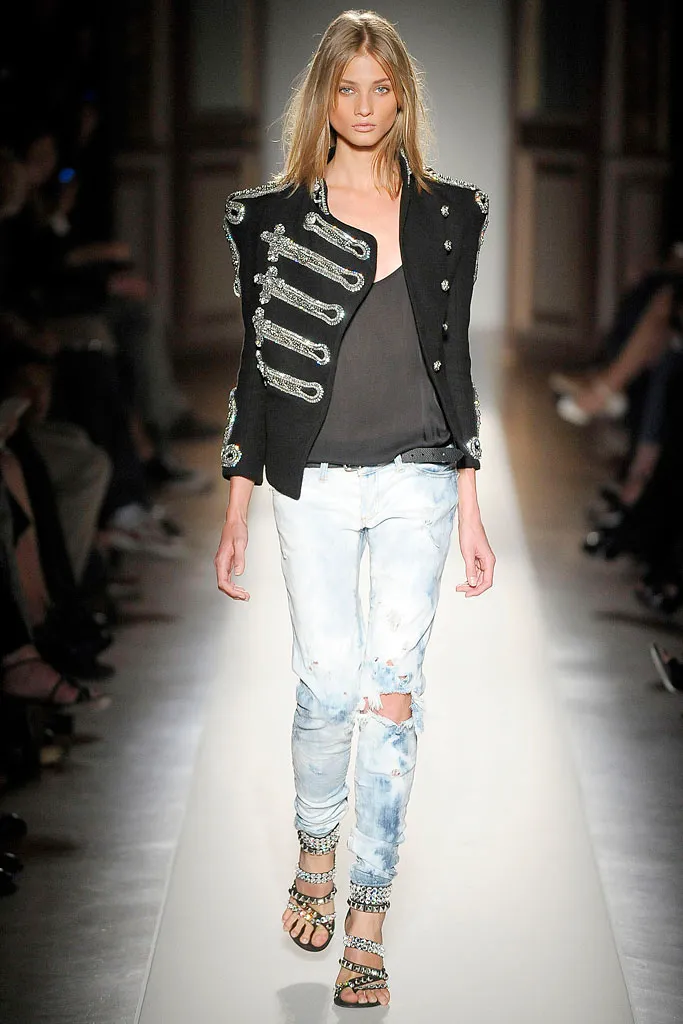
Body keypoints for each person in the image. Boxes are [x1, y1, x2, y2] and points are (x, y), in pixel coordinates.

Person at [214, 10, 495, 1009]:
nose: (366, 106)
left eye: (382, 88)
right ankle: (314, 849)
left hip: (419, 472)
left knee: (392, 690)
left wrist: (469, 498)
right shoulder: (271, 219)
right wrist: (235, 503)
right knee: (326, 684)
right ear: (324, 98)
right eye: (348, 88)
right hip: (316, 479)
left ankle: (366, 918)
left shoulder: (449, 212)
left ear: (402, 97)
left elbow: (453, 359)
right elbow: (256, 369)